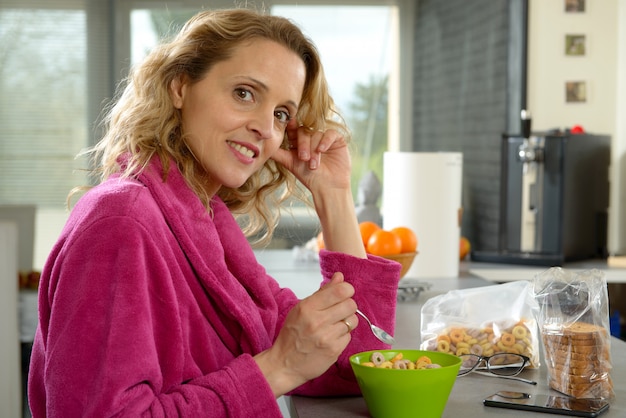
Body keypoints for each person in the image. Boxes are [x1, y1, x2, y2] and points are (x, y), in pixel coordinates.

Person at [28, 8, 401, 417]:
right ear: (180, 86)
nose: (265, 126)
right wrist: (277, 368)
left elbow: (359, 368)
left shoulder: (206, 222)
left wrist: (334, 195)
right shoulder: (122, 222)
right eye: (245, 93)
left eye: (281, 114)